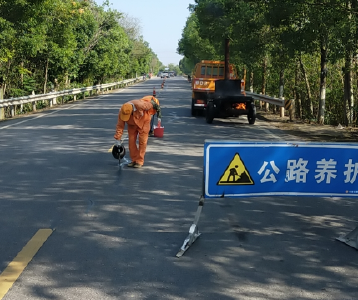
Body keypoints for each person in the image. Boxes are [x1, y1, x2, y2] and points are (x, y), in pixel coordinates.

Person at [114, 97, 161, 168]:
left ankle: (139, 161)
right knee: (131, 142)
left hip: (144, 122)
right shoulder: (122, 111)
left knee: (142, 142)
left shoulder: (141, 105)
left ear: (132, 110)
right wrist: (118, 139)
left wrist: (156, 107)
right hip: (132, 125)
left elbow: (151, 104)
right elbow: (120, 126)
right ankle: (134, 160)